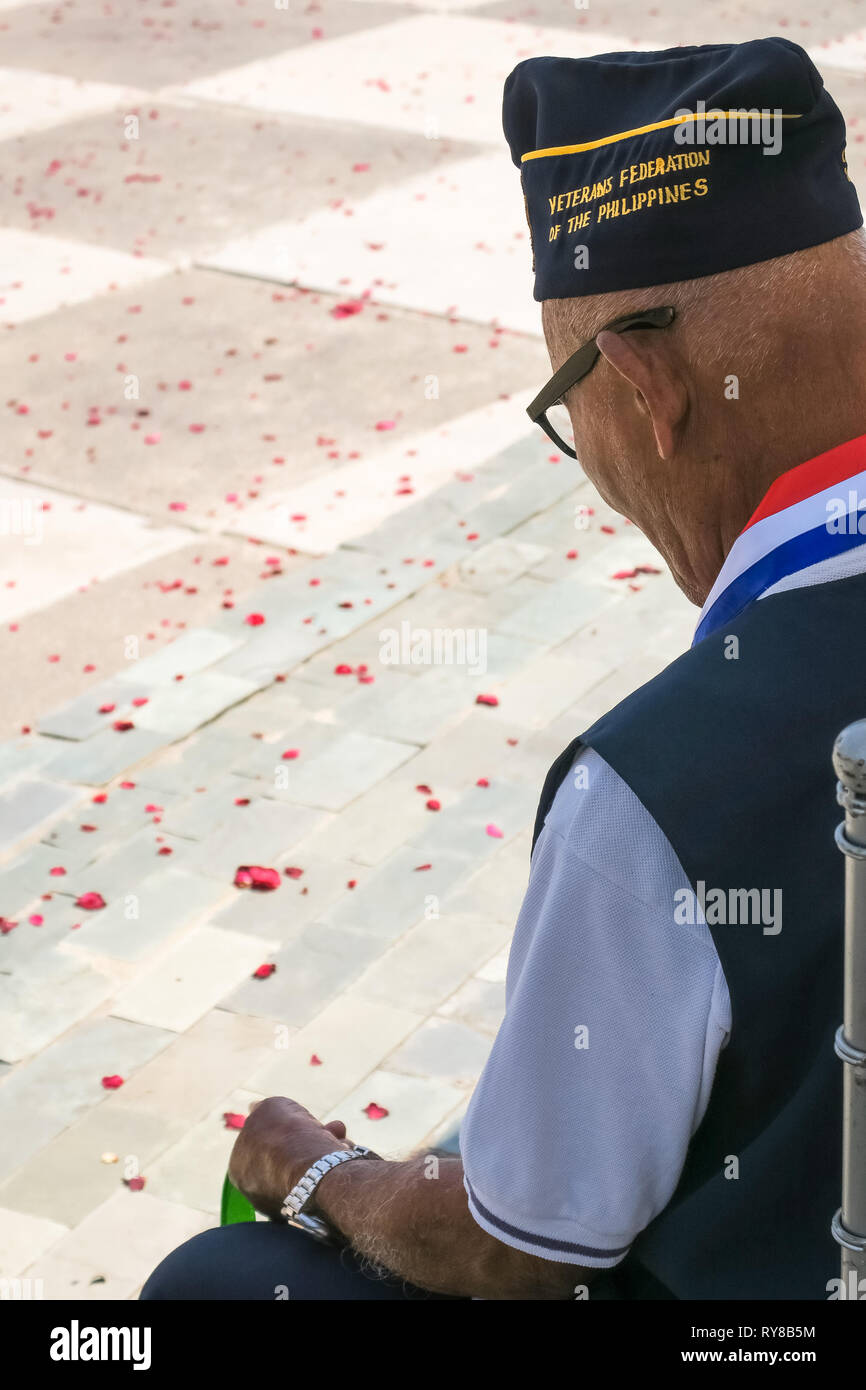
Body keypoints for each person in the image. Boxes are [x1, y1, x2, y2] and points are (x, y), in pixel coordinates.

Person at [142, 36, 866, 1301]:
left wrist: (316, 1170)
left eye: (562, 410)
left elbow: (518, 1244)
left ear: (644, 388)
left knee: (214, 1285)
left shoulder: (657, 792)